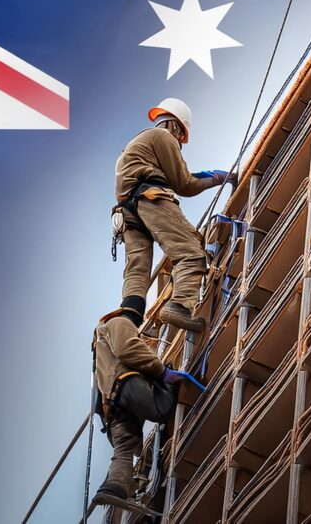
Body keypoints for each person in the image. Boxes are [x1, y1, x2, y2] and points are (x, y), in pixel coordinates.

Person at [113, 98, 234, 333]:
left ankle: (129, 319)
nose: (180, 141)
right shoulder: (163, 137)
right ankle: (179, 306)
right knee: (190, 252)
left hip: (127, 212)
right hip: (150, 199)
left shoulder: (135, 147)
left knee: (137, 270)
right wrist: (220, 177)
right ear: (177, 125)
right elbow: (185, 183)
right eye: (181, 136)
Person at [92, 305, 188, 506]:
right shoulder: (119, 322)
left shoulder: (99, 347)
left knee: (126, 448)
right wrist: (163, 372)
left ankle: (115, 486)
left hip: (112, 406)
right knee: (161, 409)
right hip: (125, 384)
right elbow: (127, 348)